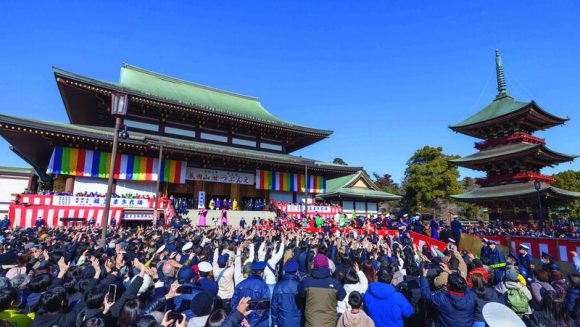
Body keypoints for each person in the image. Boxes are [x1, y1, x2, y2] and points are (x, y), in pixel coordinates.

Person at [299, 253, 346, 327]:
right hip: (329, 323)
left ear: (314, 265)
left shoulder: (306, 282)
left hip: (311, 323)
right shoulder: (335, 283)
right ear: (327, 266)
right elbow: (342, 296)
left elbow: (301, 294)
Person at [230, 261, 271, 327]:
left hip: (242, 322)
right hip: (258, 323)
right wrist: (251, 324)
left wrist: (242, 319)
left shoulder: (240, 284)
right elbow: (261, 310)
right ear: (261, 273)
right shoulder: (263, 286)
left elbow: (233, 304)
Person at [271, 259, 302, 327]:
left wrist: (275, 322)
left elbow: (274, 306)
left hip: (282, 322)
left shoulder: (278, 286)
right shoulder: (300, 286)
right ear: (296, 271)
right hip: (298, 322)